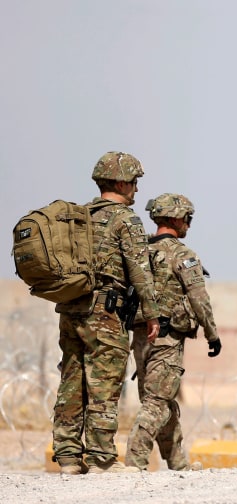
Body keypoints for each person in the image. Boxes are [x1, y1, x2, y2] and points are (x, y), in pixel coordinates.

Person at [53, 151, 160, 475]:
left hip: (71, 309)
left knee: (72, 382)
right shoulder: (125, 220)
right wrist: (151, 313)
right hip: (105, 312)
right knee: (104, 383)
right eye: (134, 182)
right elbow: (140, 271)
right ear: (119, 182)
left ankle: (69, 457)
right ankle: (101, 459)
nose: (137, 190)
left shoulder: (79, 216)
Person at [125, 193, 222, 471]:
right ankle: (135, 460)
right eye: (187, 219)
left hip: (140, 336)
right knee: (158, 401)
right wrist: (212, 334)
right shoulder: (183, 255)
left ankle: (177, 462)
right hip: (167, 338)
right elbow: (198, 297)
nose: (188, 226)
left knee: (160, 399)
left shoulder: (138, 252)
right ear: (175, 218)